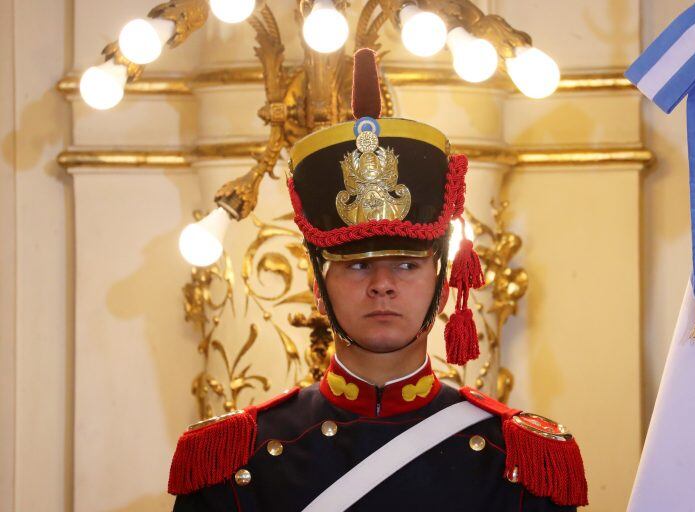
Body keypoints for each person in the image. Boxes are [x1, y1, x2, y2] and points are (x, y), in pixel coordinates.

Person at [167, 48, 587, 511]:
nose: (382, 284)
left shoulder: (519, 462)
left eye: (407, 265)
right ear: (318, 292)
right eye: (357, 265)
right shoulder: (235, 461)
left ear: (443, 285)